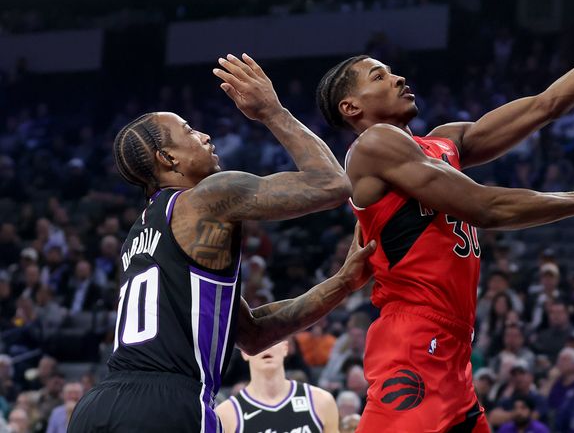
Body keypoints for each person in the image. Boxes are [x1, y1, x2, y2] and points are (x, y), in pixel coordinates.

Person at [316, 0, 574, 432]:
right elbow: (485, 207)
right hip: (414, 345)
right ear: (351, 109)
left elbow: (547, 105)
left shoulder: (441, 142)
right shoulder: (373, 145)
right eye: (379, 76)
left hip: (453, 350)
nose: (398, 77)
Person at [69, 55, 376, 433]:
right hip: (168, 404)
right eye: (190, 132)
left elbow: (253, 334)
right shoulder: (208, 196)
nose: (204, 135)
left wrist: (343, 281)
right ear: (168, 158)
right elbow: (332, 185)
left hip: (98, 406)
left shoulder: (138, 235)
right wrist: (272, 111)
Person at [217, 341, 338, 433]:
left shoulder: (321, 401)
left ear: (285, 347)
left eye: (273, 339)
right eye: (257, 340)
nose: (266, 346)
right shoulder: (225, 414)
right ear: (244, 352)